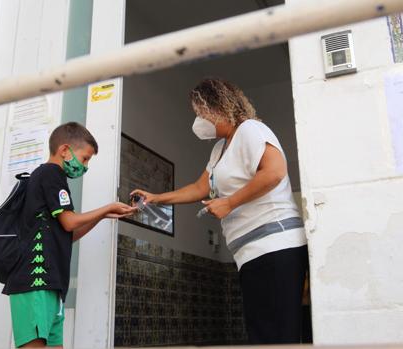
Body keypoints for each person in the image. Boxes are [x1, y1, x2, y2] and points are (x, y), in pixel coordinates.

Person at [131, 78, 308, 344]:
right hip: (250, 253)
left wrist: (230, 202)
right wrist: (156, 198)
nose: (198, 121)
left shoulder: (250, 130)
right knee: (263, 334)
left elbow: (274, 172)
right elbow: (200, 187)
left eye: (201, 114)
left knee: (277, 335)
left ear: (219, 108)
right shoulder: (218, 150)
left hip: (275, 245)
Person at [3, 122, 136, 348]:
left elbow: (68, 233)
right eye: (85, 159)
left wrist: (103, 216)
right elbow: (69, 221)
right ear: (65, 150)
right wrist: (106, 208)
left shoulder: (52, 178)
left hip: (51, 284)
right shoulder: (51, 173)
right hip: (35, 282)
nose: (84, 167)